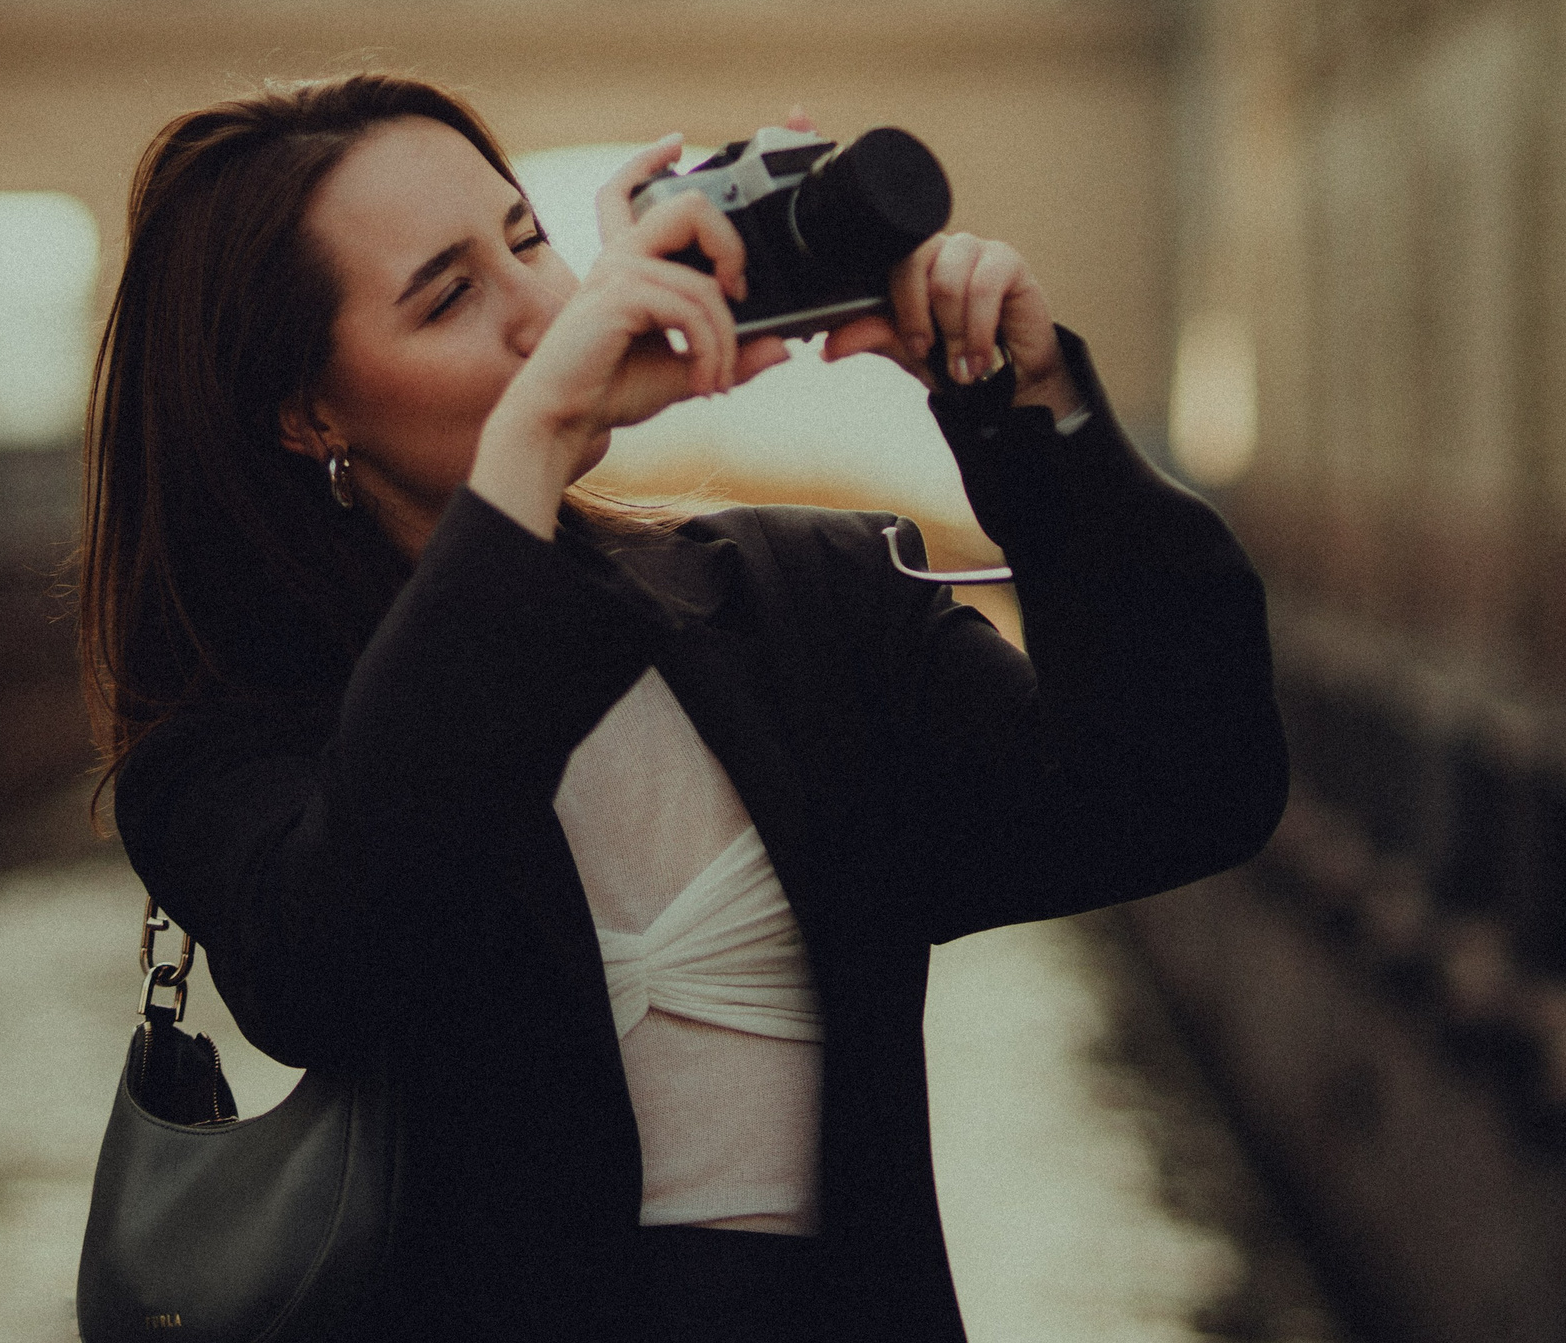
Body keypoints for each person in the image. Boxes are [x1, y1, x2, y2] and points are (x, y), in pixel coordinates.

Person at [77, 73, 1286, 1343]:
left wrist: (1032, 408)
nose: (544, 311)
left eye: (529, 239)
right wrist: (531, 448)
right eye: (450, 295)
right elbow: (341, 960)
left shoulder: (799, 604)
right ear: (303, 411)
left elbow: (1182, 790)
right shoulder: (221, 761)